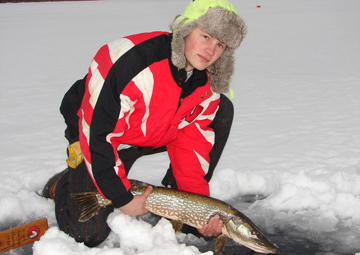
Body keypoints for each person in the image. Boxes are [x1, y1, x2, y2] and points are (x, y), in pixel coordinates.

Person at [42, 0, 247, 247]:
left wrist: (196, 209)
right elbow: (98, 135)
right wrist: (121, 197)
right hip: (99, 133)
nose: (211, 50)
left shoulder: (207, 84)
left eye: (220, 44)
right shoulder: (129, 61)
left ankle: (172, 199)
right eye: (206, 36)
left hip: (154, 130)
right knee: (88, 234)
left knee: (222, 109)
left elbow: (192, 145)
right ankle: (63, 183)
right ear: (186, 28)